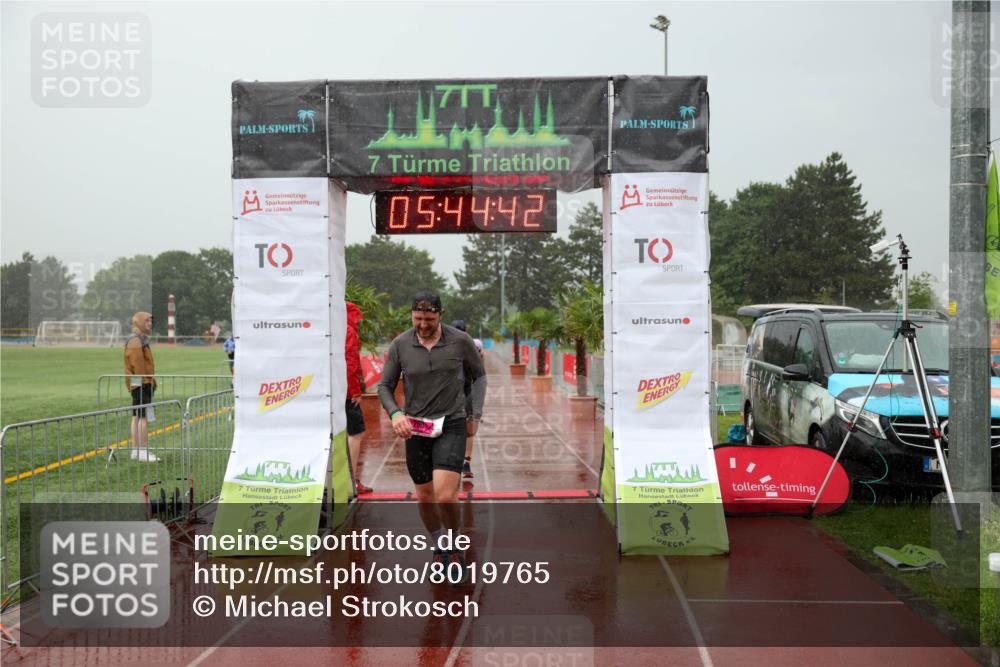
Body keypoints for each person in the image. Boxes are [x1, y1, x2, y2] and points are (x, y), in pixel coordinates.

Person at [378, 292, 486, 584]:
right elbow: (384, 386)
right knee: (425, 496)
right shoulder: (401, 344)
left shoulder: (460, 341)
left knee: (446, 494)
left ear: (441, 315)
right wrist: (395, 414)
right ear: (411, 315)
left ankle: (454, 547)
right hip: (415, 428)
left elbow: (479, 376)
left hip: (451, 423)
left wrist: (474, 414)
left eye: (429, 319)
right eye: (418, 319)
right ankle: (438, 544)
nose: (423, 325)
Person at [451, 319, 484, 479]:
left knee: (449, 427)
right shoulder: (475, 344)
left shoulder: (445, 345)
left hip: (450, 393)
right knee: (469, 431)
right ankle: (466, 463)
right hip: (468, 391)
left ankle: (451, 461)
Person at [345, 302, 372, 495]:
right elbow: (350, 362)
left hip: (327, 390)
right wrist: (355, 391)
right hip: (346, 392)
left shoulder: (328, 330)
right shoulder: (348, 332)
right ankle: (352, 480)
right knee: (355, 433)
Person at [124, 311, 158, 462]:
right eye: (146, 321)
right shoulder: (136, 341)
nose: (149, 324)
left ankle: (136, 450)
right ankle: (142, 450)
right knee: (142, 416)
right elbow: (137, 364)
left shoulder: (140, 339)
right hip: (140, 383)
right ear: (139, 322)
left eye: (150, 321)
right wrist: (147, 381)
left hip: (140, 382)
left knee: (137, 416)